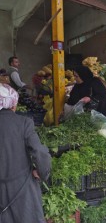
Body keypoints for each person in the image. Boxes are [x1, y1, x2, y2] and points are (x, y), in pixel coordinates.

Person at [0, 83, 51, 222]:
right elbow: (39, 152)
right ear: (12, 104)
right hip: (22, 190)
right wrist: (41, 172)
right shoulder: (24, 123)